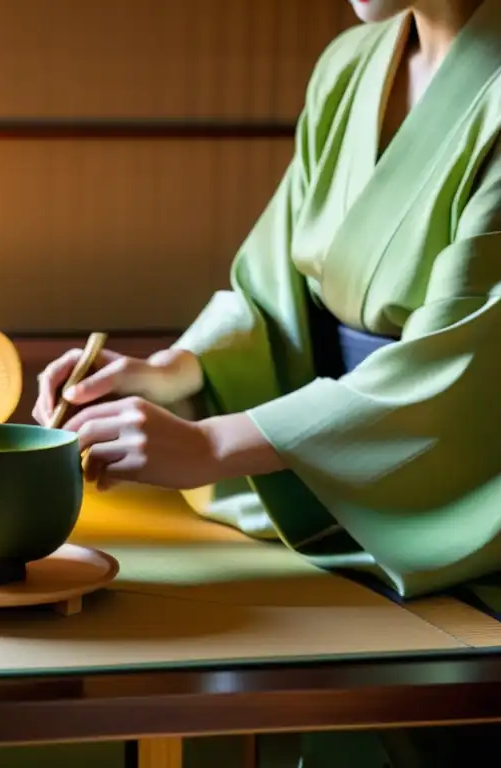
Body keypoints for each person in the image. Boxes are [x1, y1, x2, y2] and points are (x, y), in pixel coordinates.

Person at [34, 1, 501, 765]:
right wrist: (173, 373)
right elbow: (274, 285)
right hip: (331, 476)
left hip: (453, 503)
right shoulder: (351, 65)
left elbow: (465, 362)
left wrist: (214, 443)